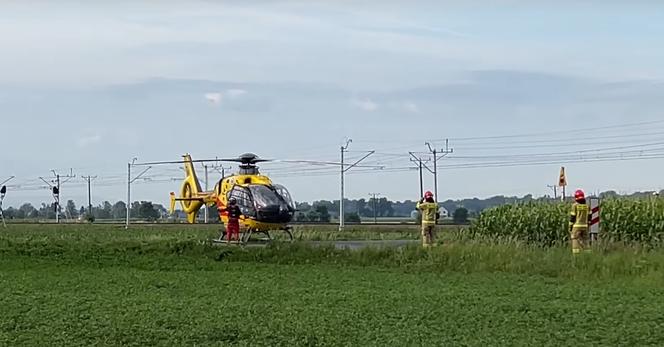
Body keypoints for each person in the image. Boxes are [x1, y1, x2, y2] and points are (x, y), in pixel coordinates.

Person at [570, 189, 590, 254]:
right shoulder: (587, 206)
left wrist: (570, 226)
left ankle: (576, 256)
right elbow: (590, 216)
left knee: (575, 240)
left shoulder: (575, 205)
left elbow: (572, 217)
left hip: (576, 226)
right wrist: (588, 225)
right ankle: (587, 255)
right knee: (585, 241)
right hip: (585, 226)